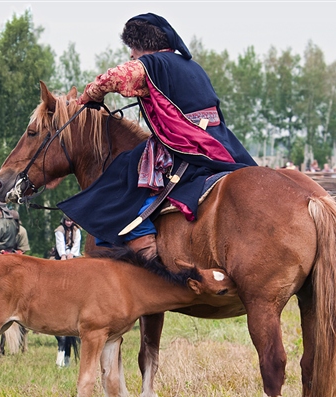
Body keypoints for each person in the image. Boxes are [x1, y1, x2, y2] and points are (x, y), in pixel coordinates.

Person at [58, 13, 257, 260]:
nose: (131, 54)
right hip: (219, 139)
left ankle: (141, 238)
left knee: (125, 171)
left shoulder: (152, 65)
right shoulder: (191, 66)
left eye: (132, 47)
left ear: (142, 45)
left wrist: (88, 98)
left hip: (185, 139)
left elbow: (112, 78)